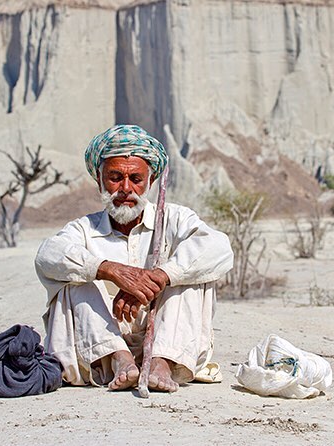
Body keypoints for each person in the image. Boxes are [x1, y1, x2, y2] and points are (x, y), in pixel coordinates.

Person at [34, 124, 233, 393]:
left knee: (192, 276)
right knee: (74, 277)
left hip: (172, 345)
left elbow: (219, 248)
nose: (125, 188)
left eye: (136, 179)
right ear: (99, 180)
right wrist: (109, 270)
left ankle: (161, 362)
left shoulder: (176, 219)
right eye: (115, 177)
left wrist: (160, 277)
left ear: (150, 182)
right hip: (96, 352)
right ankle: (120, 359)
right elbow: (47, 255)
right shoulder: (83, 229)